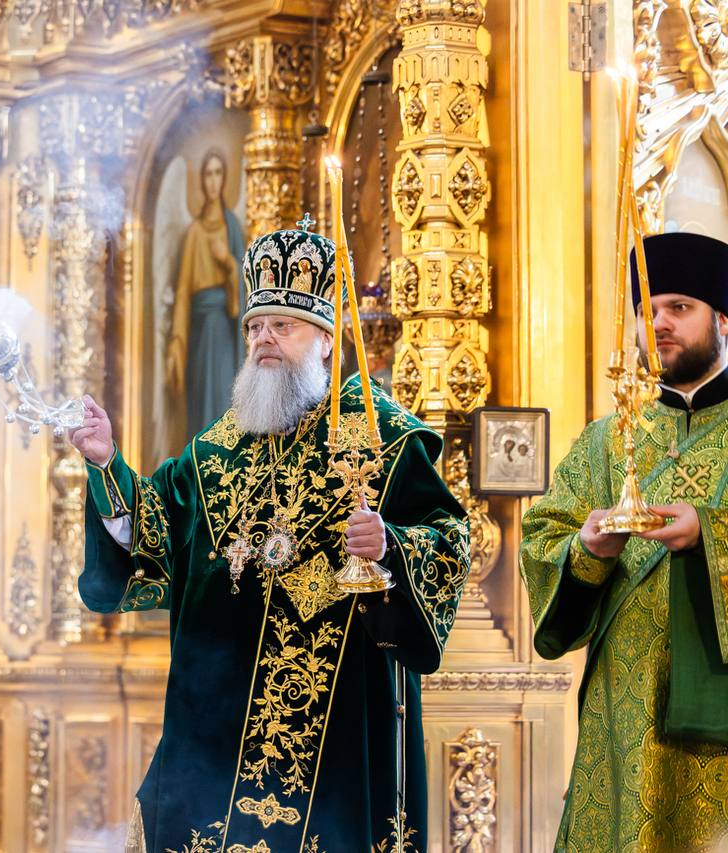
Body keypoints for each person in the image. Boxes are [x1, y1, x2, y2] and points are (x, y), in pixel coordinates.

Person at [70, 224, 471, 852]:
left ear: (325, 339)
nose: (263, 339)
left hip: (335, 730)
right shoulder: (217, 449)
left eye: (282, 325)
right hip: (216, 731)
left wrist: (389, 545)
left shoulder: (385, 437)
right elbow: (156, 534)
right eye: (255, 326)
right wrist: (105, 463)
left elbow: (448, 538)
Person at [521, 232, 728, 851]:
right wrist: (588, 552)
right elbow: (545, 536)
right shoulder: (607, 439)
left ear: (722, 320)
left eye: (679, 308)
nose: (659, 324)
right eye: (648, 310)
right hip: (625, 710)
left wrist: (710, 532)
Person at [164, 149, 247, 454]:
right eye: (208, 174)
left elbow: (246, 285)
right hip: (200, 338)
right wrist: (177, 342)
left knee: (225, 399)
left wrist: (227, 262)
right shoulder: (195, 234)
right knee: (201, 408)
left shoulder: (232, 228)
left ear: (225, 179)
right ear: (201, 181)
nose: (213, 181)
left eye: (218, 174)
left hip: (225, 334)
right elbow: (183, 293)